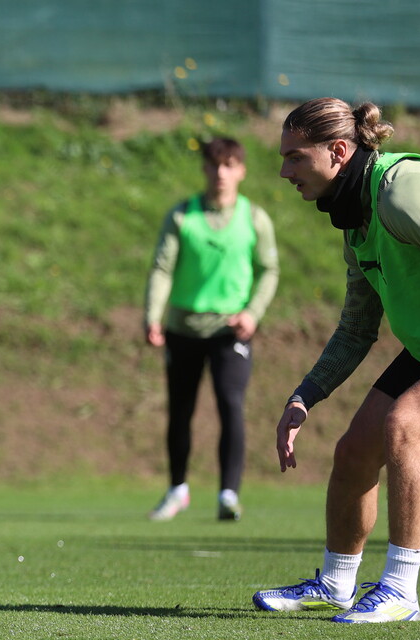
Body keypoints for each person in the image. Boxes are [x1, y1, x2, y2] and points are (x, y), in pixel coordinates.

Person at [252, 97, 420, 623]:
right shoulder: (357, 217)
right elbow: (357, 329)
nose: (284, 171)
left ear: (339, 151)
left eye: (296, 157)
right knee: (353, 454)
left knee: (404, 426)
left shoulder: (401, 194)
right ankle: (338, 582)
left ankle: (400, 592)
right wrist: (304, 396)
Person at [144, 137, 279, 522]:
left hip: (230, 331)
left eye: (229, 164)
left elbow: (269, 270)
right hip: (183, 329)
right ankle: (177, 490)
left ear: (241, 170)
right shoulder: (183, 216)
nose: (221, 172)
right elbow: (162, 268)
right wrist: (153, 315)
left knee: (230, 405)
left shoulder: (254, 218)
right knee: (180, 411)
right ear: (204, 169)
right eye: (214, 165)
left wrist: (252, 312)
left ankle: (228, 494)